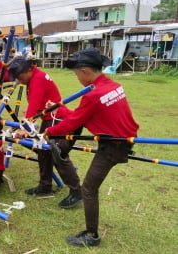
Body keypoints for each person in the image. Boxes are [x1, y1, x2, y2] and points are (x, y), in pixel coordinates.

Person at [44, 48, 139, 247]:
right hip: (124, 138)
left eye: (76, 73)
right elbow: (80, 116)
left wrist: (50, 132)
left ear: (85, 71)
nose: (77, 77)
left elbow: (72, 123)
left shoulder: (93, 95)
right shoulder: (112, 85)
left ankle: (92, 235)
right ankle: (62, 152)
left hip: (114, 145)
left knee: (88, 189)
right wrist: (58, 108)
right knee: (88, 184)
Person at [8, 56, 82, 209]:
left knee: (57, 153)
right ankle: (45, 186)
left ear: (28, 69)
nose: (19, 81)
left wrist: (24, 127)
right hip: (49, 118)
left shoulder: (38, 79)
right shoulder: (33, 77)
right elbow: (35, 105)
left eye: (20, 77)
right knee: (43, 151)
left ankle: (76, 191)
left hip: (58, 118)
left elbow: (34, 103)